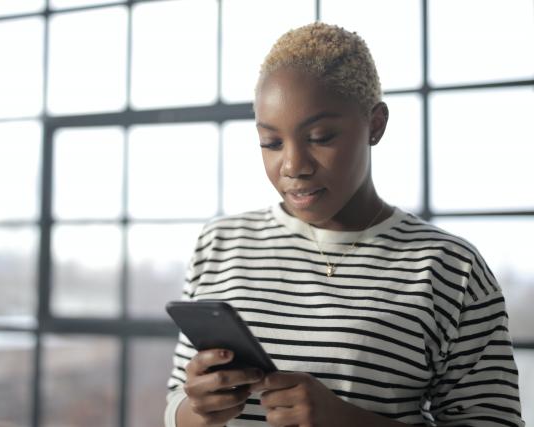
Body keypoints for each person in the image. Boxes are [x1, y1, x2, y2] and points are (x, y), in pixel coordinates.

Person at [164, 22, 524, 427]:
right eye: (271, 142)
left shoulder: (450, 268)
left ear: (375, 124)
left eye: (320, 136)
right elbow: (178, 399)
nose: (293, 166)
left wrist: (348, 421)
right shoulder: (221, 242)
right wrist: (196, 409)